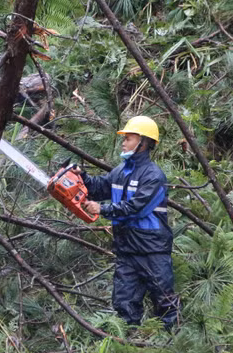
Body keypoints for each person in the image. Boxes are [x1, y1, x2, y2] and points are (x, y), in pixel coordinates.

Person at [76, 116, 179, 329]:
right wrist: (82, 177)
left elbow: (135, 208)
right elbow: (98, 187)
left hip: (152, 250)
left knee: (164, 302)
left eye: (128, 138)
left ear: (144, 142)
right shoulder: (121, 171)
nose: (123, 142)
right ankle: (127, 347)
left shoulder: (153, 176)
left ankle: (171, 345)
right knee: (124, 304)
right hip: (127, 250)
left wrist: (102, 209)